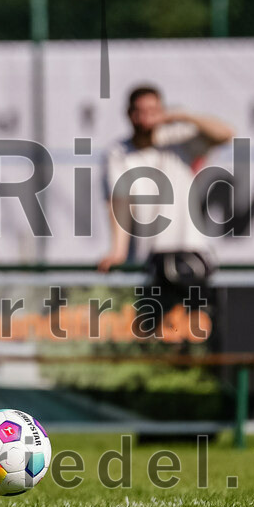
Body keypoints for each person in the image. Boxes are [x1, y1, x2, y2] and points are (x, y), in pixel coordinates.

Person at [98, 84, 234, 332]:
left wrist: (182, 115)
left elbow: (225, 134)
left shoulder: (177, 141)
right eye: (140, 111)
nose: (147, 117)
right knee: (151, 335)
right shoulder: (119, 153)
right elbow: (119, 203)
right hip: (150, 258)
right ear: (130, 114)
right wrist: (117, 251)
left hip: (190, 252)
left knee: (200, 331)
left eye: (154, 110)